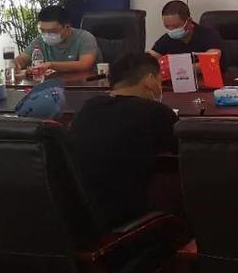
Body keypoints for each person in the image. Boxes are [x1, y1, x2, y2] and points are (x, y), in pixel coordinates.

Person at [68, 53, 178, 230]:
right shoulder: (156, 112)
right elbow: (183, 153)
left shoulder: (87, 108)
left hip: (78, 218)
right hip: (124, 222)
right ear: (150, 80)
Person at [15, 5, 101, 74]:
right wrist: (16, 64)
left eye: (52, 31)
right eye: (42, 30)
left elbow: (84, 65)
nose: (46, 34)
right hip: (52, 85)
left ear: (67, 27)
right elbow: (23, 59)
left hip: (85, 85)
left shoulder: (85, 38)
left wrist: (50, 65)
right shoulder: (40, 40)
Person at [149, 0, 223, 64]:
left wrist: (179, 69)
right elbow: (150, 59)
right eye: (167, 26)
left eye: (176, 26)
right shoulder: (167, 38)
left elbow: (211, 61)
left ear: (189, 21)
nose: (171, 30)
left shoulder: (209, 35)